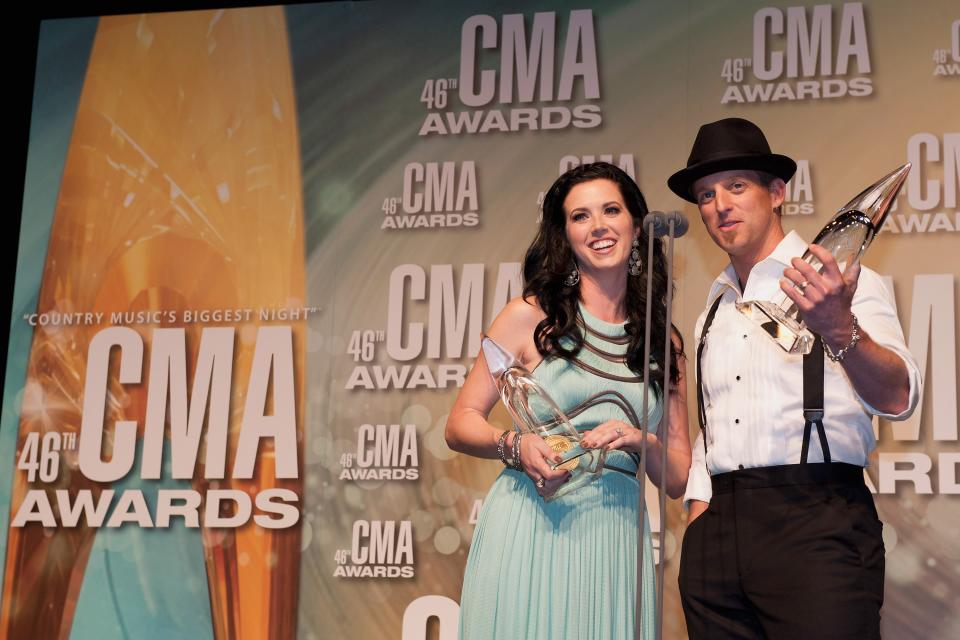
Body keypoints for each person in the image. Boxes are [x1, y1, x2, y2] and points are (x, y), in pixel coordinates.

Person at [669, 118, 922, 639]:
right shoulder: (713, 308)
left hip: (816, 519)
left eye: (737, 186)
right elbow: (714, 425)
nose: (721, 205)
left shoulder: (844, 282)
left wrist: (838, 326)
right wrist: (701, 516)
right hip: (719, 535)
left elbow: (898, 396)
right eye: (706, 195)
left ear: (778, 192)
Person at [446, 162, 691, 639]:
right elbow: (460, 422)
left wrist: (642, 440)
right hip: (531, 523)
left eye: (611, 210)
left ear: (636, 227)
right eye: (580, 216)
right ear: (565, 235)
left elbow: (678, 476)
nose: (598, 226)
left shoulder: (664, 342)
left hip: (617, 537)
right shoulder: (528, 317)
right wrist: (516, 446)